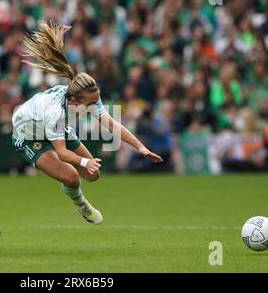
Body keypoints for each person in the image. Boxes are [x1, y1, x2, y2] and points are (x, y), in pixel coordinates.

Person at [11, 21, 163, 224]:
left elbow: (112, 125)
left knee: (93, 175)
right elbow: (63, 152)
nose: (94, 106)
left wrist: (140, 147)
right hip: (28, 136)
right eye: (90, 103)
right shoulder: (54, 111)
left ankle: (73, 181)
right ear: (74, 101)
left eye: (96, 100)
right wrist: (84, 161)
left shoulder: (88, 96)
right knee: (72, 176)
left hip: (56, 128)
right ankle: (82, 205)